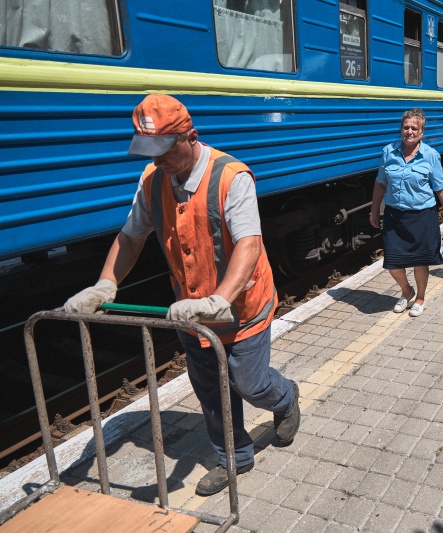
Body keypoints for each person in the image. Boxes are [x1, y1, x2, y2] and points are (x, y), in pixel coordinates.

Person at [62, 94, 300, 497]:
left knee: (249, 383)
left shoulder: (232, 177)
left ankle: (285, 397)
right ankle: (234, 458)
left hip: (241, 306)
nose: (158, 160)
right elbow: (131, 237)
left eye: (165, 150)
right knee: (210, 389)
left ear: (191, 137)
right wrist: (105, 284)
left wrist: (218, 299)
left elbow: (249, 244)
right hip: (190, 310)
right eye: (150, 152)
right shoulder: (152, 180)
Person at [369, 108, 443, 317]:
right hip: (395, 215)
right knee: (392, 261)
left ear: (421, 132)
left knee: (420, 260)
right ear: (401, 129)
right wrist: (374, 210)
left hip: (421, 216)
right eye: (405, 127)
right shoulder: (388, 152)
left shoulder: (430, 155)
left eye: (414, 128)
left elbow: (441, 188)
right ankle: (407, 291)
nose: (409, 131)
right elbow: (380, 184)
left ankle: (420, 298)